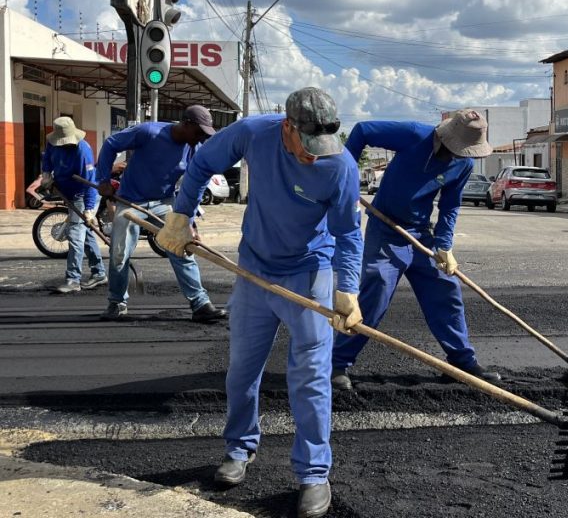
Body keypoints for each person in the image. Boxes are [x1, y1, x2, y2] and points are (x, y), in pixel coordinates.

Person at [156, 87, 363, 518]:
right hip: (254, 271)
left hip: (309, 274)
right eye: (307, 147)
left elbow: (347, 235)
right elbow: (200, 168)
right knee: (242, 371)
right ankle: (239, 448)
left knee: (309, 378)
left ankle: (313, 473)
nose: (314, 157)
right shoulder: (252, 133)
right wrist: (180, 217)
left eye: (321, 149)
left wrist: (348, 290)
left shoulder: (339, 166)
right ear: (287, 128)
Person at [331, 109, 499, 391]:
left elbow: (450, 205)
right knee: (377, 287)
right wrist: (345, 176)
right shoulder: (413, 135)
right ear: (448, 138)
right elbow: (362, 130)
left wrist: (445, 245)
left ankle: (461, 362)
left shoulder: (464, 164)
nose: (462, 155)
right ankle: (337, 363)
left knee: (446, 290)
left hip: (421, 234)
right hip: (386, 229)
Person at [95, 105, 225, 323]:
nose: (201, 137)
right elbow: (111, 144)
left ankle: (200, 303)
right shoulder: (149, 132)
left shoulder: (194, 149)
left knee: (182, 247)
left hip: (164, 202)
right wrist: (104, 180)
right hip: (130, 200)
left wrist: (189, 223)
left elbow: (195, 187)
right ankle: (117, 302)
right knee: (119, 251)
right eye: (199, 132)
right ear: (186, 124)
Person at [40, 117, 107, 293]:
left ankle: (73, 279)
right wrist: (46, 173)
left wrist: (89, 210)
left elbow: (90, 184)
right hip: (67, 192)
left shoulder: (82, 151)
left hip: (83, 194)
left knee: (76, 236)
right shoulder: (52, 143)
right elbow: (47, 158)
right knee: (87, 235)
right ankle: (99, 273)